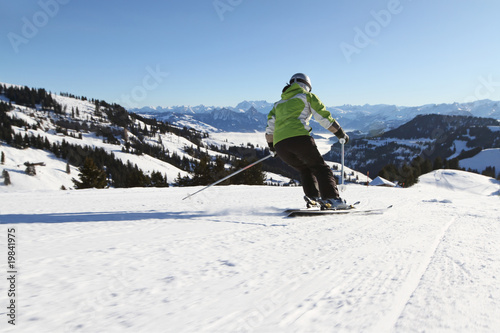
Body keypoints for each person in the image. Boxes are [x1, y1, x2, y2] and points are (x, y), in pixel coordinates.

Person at [265, 73, 349, 209]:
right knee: (321, 169)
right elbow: (324, 118)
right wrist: (340, 133)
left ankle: (313, 198)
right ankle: (332, 199)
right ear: (307, 86)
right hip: (300, 139)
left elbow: (269, 130)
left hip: (280, 145)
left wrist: (272, 147)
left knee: (305, 169)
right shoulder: (307, 97)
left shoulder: (277, 105)